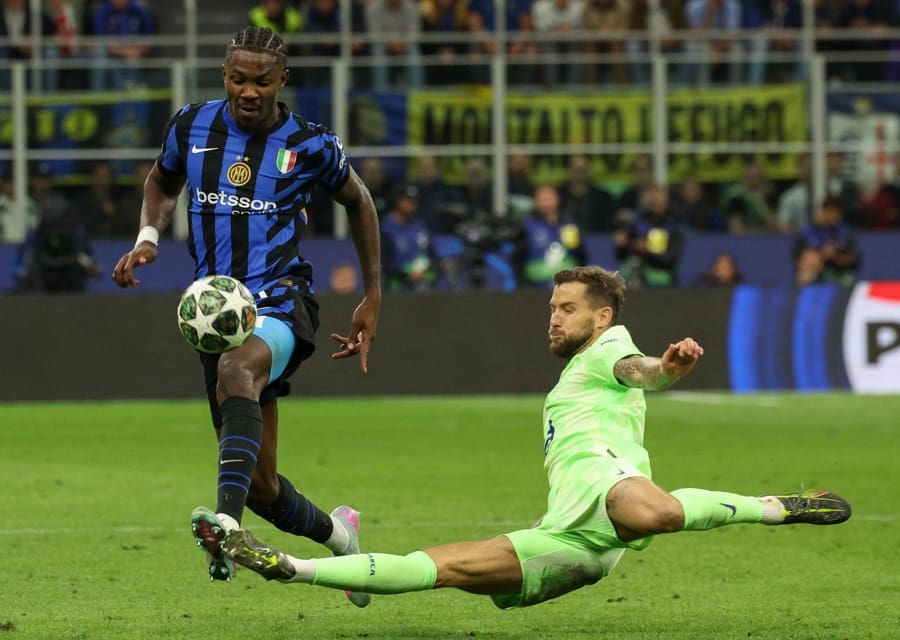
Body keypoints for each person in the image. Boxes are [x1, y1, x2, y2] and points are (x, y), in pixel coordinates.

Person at [222, 265, 852, 609]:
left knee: (656, 511)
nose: (553, 318)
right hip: (572, 538)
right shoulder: (570, 379)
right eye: (551, 308)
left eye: (566, 309)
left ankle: (777, 507)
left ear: (603, 317)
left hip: (611, 489)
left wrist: (667, 368)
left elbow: (639, 370)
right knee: (436, 569)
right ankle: (293, 567)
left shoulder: (608, 347)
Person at [110, 26, 382, 608]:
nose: (249, 91)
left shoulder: (310, 143)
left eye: (262, 81)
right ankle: (342, 538)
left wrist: (372, 294)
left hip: (282, 299)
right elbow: (162, 179)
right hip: (217, 315)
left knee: (238, 371)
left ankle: (226, 532)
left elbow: (358, 200)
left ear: (283, 81)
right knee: (262, 487)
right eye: (238, 79)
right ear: (224, 76)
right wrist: (148, 236)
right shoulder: (191, 125)